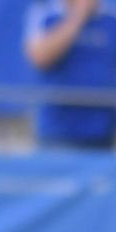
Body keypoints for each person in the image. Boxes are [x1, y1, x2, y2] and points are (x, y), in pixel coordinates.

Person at [24, 0, 116, 148]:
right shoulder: (48, 14)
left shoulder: (111, 19)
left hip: (102, 131)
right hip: (58, 133)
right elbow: (40, 57)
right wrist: (78, 17)